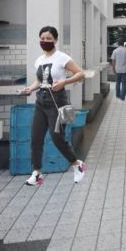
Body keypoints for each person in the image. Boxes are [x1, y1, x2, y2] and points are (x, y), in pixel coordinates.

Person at [20, 26, 87, 186]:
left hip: (57, 102)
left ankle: (77, 164)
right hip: (41, 101)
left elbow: (80, 73)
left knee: (57, 137)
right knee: (36, 138)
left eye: (48, 38)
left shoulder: (62, 58)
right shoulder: (39, 60)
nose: (45, 41)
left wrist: (65, 81)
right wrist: (30, 88)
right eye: (42, 38)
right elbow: (39, 81)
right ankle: (37, 173)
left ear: (55, 40)